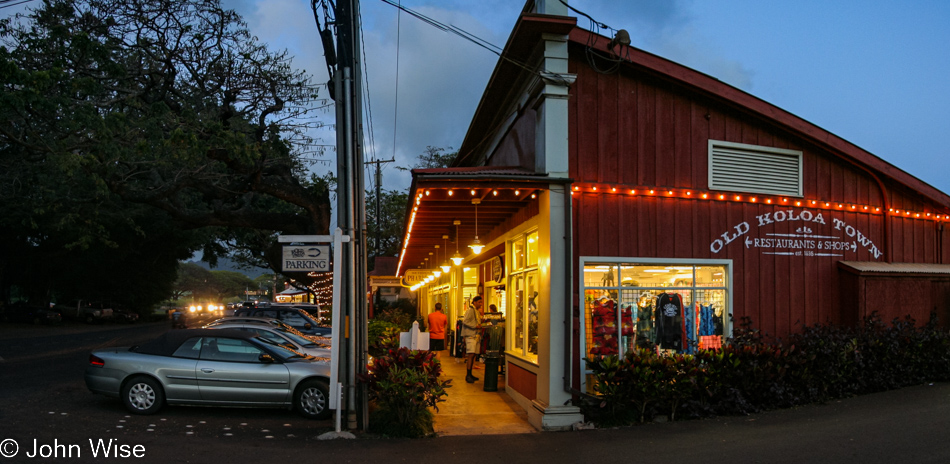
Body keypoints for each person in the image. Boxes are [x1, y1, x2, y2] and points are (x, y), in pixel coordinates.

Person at [461, 295, 484, 383]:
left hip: (476, 336)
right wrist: (475, 326)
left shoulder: (476, 311)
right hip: (471, 335)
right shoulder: (470, 311)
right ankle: (468, 375)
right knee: (471, 354)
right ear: (474, 302)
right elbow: (465, 321)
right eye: (479, 302)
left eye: (481, 302)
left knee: (473, 354)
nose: (481, 304)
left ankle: (470, 374)